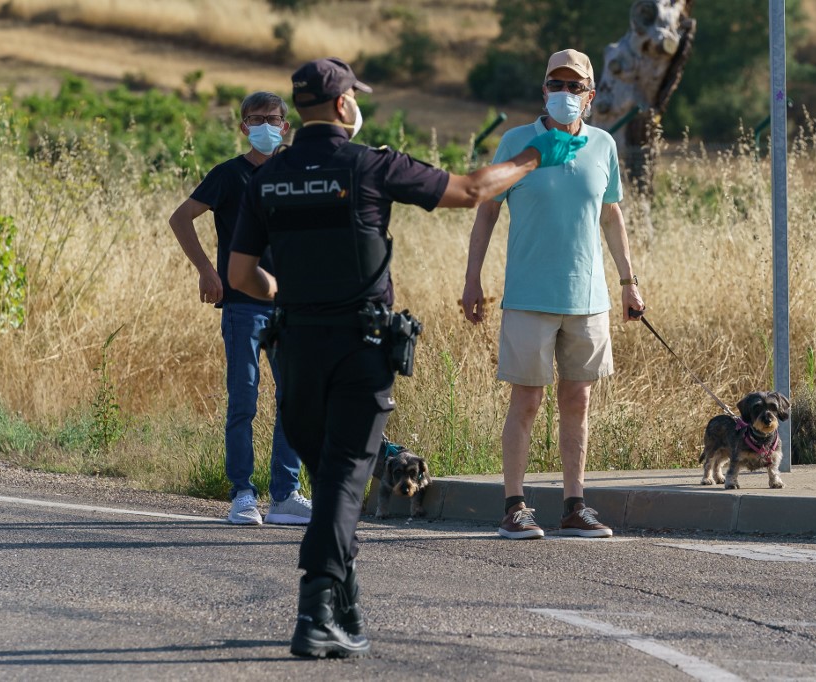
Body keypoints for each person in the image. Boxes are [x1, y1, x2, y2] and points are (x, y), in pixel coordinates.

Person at [227, 57, 587, 659]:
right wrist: (530, 159)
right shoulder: (371, 165)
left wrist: (287, 293)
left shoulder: (266, 179)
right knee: (344, 485)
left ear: (299, 110)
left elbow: (240, 274)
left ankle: (347, 605)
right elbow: (469, 190)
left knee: (332, 483)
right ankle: (315, 611)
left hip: (295, 351)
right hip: (358, 349)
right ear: (345, 107)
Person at [461, 49, 645, 541]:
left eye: (574, 87)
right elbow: (486, 212)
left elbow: (611, 215)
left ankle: (574, 505)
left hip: (588, 298)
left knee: (578, 400)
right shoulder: (517, 142)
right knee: (526, 399)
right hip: (528, 295)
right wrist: (472, 278)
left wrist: (629, 281)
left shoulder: (603, 145)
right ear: (544, 90)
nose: (565, 95)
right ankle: (515, 506)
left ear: (590, 95)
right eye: (556, 85)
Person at [168, 91, 312, 527]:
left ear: (286, 126)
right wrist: (206, 271)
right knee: (243, 401)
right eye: (255, 119)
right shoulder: (228, 176)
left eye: (272, 118)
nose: (264, 125)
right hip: (242, 306)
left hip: (291, 306)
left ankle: (286, 494)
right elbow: (180, 218)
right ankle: (243, 494)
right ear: (243, 127)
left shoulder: (298, 174)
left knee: (293, 401)